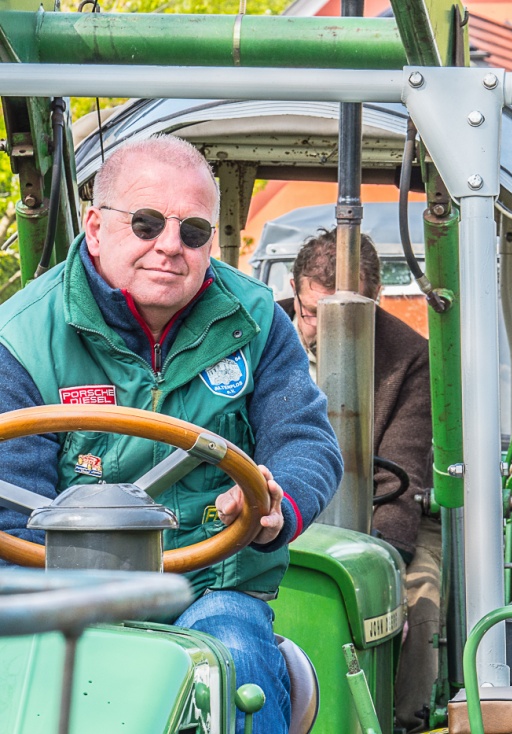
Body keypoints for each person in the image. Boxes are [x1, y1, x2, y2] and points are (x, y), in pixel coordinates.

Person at [0, 135, 342, 734]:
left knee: (237, 664)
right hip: (66, 595)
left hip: (212, 585)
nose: (169, 247)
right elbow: (10, 512)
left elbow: (304, 438)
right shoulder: (23, 339)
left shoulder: (256, 321)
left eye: (192, 232)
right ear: (96, 226)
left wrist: (273, 500)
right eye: (147, 222)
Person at [287, 229, 438, 732]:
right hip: (274, 510)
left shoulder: (409, 358)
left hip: (377, 518)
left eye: (345, 318)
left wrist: (381, 567)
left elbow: (403, 471)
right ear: (294, 290)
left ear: (374, 302)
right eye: (312, 314)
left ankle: (402, 718)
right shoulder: (257, 336)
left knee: (421, 599)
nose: (321, 331)